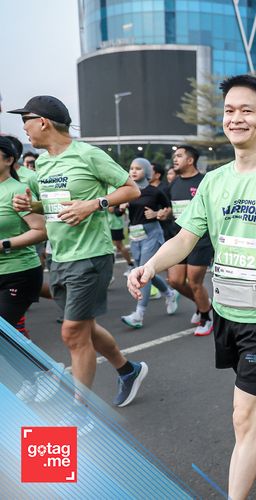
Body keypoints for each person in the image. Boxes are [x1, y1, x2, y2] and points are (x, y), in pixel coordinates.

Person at [127, 75, 256, 498]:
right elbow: (185, 239)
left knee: (242, 415)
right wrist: (149, 266)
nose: (236, 118)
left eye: (247, 110)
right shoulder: (214, 182)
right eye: (230, 111)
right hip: (226, 309)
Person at [10, 95, 148, 407]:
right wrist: (31, 205)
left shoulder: (88, 154)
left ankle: (81, 411)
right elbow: (53, 205)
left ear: (43, 122)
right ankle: (128, 370)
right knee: (86, 328)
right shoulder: (42, 162)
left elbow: (131, 189)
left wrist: (94, 204)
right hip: (58, 256)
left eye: (25, 121)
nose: (24, 129)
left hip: (90, 255)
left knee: (72, 333)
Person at [161, 145, 215, 336]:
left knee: (194, 282)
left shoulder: (204, 182)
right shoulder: (174, 183)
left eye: (179, 156)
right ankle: (204, 304)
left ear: (190, 160)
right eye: (174, 156)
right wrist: (165, 213)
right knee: (174, 281)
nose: (174, 159)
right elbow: (172, 209)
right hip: (179, 239)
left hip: (201, 240)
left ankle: (206, 318)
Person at [120, 158, 179, 328]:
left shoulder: (155, 191)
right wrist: (121, 207)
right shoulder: (127, 191)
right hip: (134, 235)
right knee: (145, 272)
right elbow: (116, 212)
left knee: (142, 273)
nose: (133, 171)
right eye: (131, 168)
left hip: (152, 234)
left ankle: (139, 315)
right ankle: (169, 293)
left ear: (146, 171)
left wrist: (156, 214)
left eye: (138, 168)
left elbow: (169, 209)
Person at [0, 136, 46, 333]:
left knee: (4, 334)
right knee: (11, 336)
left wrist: (4, 244)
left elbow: (42, 230)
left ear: (9, 160)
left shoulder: (18, 191)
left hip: (17, 273)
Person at [106, 185, 135, 275]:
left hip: (115, 224)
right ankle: (109, 271)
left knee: (119, 245)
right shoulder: (104, 188)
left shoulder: (114, 189)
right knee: (110, 246)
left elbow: (110, 209)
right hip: (106, 223)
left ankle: (131, 265)